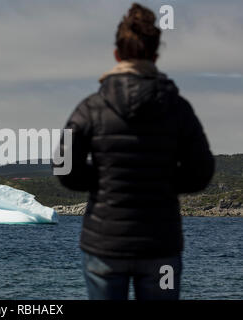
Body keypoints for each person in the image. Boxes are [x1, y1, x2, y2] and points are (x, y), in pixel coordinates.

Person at [55, 3, 215, 300]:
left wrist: (104, 181)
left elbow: (63, 167)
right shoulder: (178, 108)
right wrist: (163, 182)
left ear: (117, 55)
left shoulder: (91, 107)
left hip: (105, 245)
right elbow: (201, 172)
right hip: (161, 245)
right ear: (155, 56)